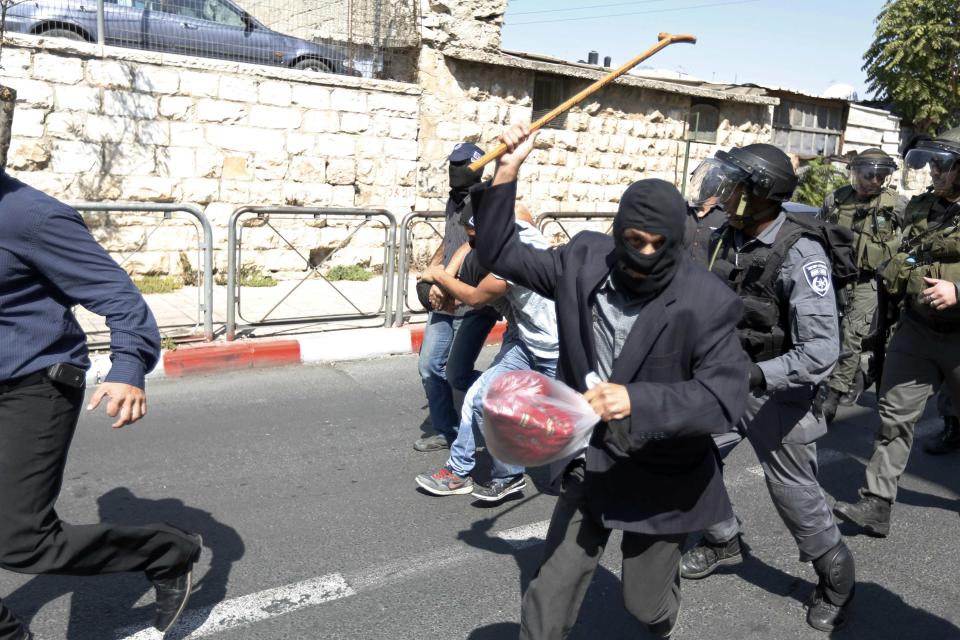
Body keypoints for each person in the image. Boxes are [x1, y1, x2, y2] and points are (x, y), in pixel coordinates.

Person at [472, 124, 749, 639]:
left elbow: (724, 397)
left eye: (657, 245)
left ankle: (664, 613)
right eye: (633, 241)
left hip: (660, 472)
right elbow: (500, 253)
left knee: (644, 605)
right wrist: (505, 173)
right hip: (590, 461)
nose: (644, 254)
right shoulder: (582, 259)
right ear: (618, 232)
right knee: (549, 590)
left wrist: (637, 399)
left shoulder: (706, 301)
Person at [0, 173, 202, 639]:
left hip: (33, 387)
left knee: (21, 543)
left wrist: (127, 367)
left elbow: (119, 297)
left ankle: (166, 551)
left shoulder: (29, 216)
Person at [681, 144, 855, 632]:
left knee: (794, 495)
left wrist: (755, 376)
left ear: (758, 194)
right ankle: (723, 539)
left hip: (779, 392)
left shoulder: (801, 254)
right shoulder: (727, 236)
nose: (721, 190)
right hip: (723, 380)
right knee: (688, 457)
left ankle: (836, 579)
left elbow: (819, 352)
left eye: (732, 184)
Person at [834, 127, 960, 536]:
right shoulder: (921, 208)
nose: (934, 172)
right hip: (918, 330)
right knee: (893, 417)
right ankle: (876, 503)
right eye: (932, 163)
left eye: (943, 165)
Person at [415, 204, 560, 502]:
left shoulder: (512, 260)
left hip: (561, 349)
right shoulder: (508, 227)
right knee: (479, 397)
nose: (472, 243)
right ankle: (468, 472)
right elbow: (508, 215)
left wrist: (440, 278)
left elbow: (474, 296)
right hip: (526, 343)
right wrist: (446, 273)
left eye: (475, 237)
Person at [414, 143, 499, 452]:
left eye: (461, 164)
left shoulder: (487, 201)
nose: (454, 170)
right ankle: (446, 430)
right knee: (429, 367)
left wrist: (442, 278)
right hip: (446, 294)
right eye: (452, 163)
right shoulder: (454, 200)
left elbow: (470, 247)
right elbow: (451, 238)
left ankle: (508, 397)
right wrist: (434, 265)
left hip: (474, 297)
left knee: (458, 373)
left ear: (477, 166)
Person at [816, 148, 907, 420]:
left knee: (851, 333)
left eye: (881, 176)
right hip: (836, 276)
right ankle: (850, 375)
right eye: (869, 175)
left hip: (871, 281)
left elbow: (915, 238)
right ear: (856, 173)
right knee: (826, 328)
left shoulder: (897, 205)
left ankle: (833, 395)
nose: (874, 182)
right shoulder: (836, 199)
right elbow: (817, 231)